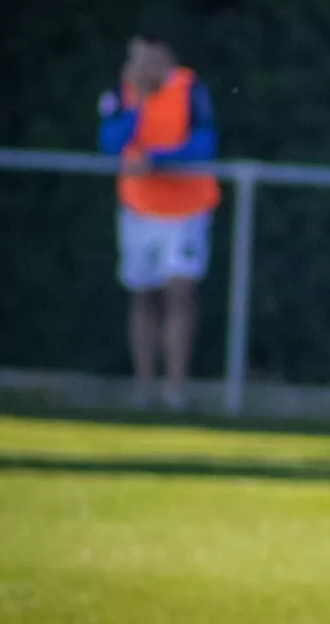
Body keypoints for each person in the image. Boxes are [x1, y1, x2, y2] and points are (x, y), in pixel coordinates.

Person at [98, 27, 218, 410]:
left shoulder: (190, 88)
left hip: (185, 210)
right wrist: (138, 106)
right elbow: (110, 143)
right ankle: (144, 388)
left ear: (166, 58)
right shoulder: (124, 92)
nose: (139, 65)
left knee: (179, 294)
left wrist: (160, 161)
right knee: (144, 296)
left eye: (147, 57)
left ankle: (175, 390)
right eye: (135, 57)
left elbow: (205, 145)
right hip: (138, 209)